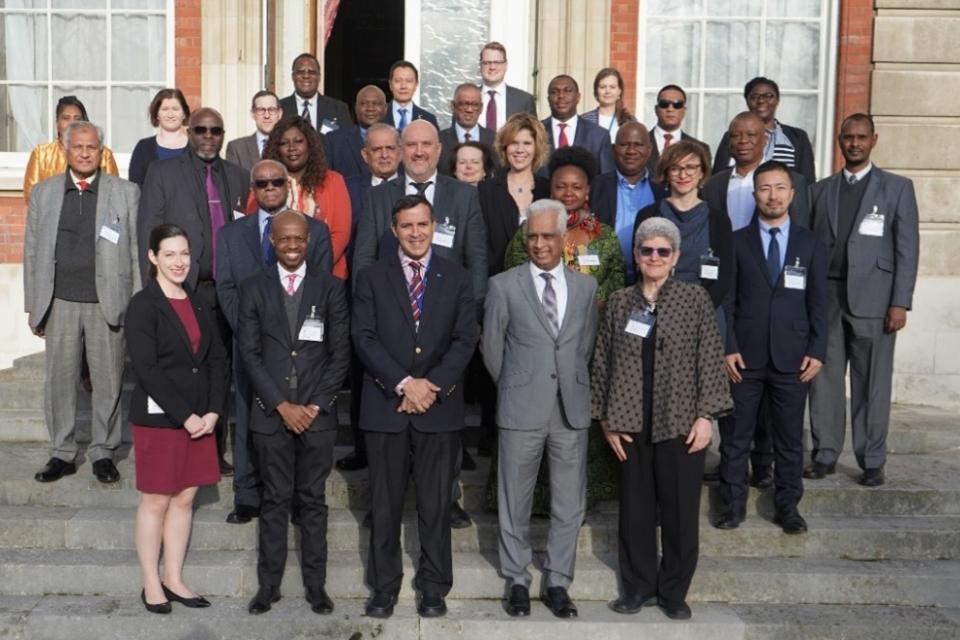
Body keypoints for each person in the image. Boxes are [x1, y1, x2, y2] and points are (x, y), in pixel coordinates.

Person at [592, 216, 732, 621]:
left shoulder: (694, 299)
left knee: (680, 513)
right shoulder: (620, 302)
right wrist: (606, 420)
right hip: (630, 421)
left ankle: (674, 592)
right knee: (635, 511)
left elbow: (710, 359)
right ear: (636, 255)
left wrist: (706, 417)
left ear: (675, 257)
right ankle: (637, 588)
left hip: (681, 421)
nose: (654, 257)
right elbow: (602, 362)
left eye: (662, 251)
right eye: (647, 250)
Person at [352, 195, 479, 619]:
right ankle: (383, 587)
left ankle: (434, 587)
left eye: (422, 224)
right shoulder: (371, 277)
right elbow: (364, 337)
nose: (416, 233)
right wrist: (405, 384)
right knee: (384, 506)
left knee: (436, 505)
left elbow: (465, 338)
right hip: (386, 406)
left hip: (438, 409)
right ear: (394, 230)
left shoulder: (457, 277)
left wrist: (431, 385)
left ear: (434, 225)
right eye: (406, 226)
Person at [482, 199, 599, 619]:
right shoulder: (503, 286)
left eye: (548, 235)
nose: (540, 243)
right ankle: (517, 578)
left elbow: (585, 346)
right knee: (515, 499)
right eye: (532, 236)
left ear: (564, 237)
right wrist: (518, 385)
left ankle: (557, 581)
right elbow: (492, 349)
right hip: (521, 407)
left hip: (570, 409)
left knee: (569, 503)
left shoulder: (585, 288)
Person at [239, 211, 350, 615]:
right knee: (274, 500)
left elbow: (340, 354)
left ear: (308, 241)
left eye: (298, 239)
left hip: (317, 416)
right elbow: (249, 354)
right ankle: (268, 586)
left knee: (313, 501)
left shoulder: (331, 288)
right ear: (272, 240)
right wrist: (282, 405)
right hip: (272, 415)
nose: (291, 246)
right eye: (284, 238)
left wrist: (315, 405)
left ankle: (316, 587)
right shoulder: (253, 288)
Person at [216, 159, 333, 525]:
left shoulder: (315, 231)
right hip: (250, 347)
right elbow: (226, 288)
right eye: (262, 183)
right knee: (249, 417)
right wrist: (251, 333)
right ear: (252, 190)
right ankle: (248, 494)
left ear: (288, 185)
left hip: (301, 349)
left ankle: (298, 496)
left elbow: (321, 288)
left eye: (276, 182)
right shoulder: (231, 234)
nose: (270, 188)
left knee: (299, 419)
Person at [806, 113, 920, 487]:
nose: (854, 143)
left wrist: (900, 301)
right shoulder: (820, 191)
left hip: (875, 300)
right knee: (823, 380)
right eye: (848, 137)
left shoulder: (897, 188)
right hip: (827, 298)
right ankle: (824, 453)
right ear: (839, 140)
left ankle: (872, 459)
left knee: (872, 382)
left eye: (861, 137)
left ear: (874, 140)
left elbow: (907, 249)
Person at [25, 120, 140, 484]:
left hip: (108, 301)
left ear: (101, 151)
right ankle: (62, 452)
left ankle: (103, 451)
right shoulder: (44, 193)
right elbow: (32, 252)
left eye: (92, 147)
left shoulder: (126, 192)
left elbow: (135, 251)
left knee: (109, 380)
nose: (85, 153)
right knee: (60, 381)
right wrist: (34, 304)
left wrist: (137, 303)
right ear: (66, 150)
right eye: (78, 147)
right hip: (59, 301)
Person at [716, 161, 828, 535]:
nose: (773, 196)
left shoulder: (810, 243)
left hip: (793, 358)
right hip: (743, 358)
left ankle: (787, 507)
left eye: (780, 188)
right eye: (765, 188)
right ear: (755, 195)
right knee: (735, 438)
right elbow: (727, 301)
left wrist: (818, 349)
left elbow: (819, 302)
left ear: (792, 194)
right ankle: (732, 506)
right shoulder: (736, 241)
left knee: (790, 439)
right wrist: (728, 346)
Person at [138, 107, 250, 474]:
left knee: (220, 369)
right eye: (201, 129)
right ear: (189, 131)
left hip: (226, 291)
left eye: (215, 131)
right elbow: (148, 233)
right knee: (187, 369)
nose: (208, 137)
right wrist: (154, 293)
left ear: (223, 135)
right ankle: (183, 440)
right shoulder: (163, 172)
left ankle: (214, 449)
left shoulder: (238, 176)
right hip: (183, 288)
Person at [125, 224, 226, 614]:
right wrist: (185, 416)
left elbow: (217, 359)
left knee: (185, 498)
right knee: (156, 500)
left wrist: (214, 409)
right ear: (153, 257)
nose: (179, 261)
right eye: (169, 254)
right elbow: (147, 369)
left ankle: (174, 577)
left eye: (184, 253)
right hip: (162, 420)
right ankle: (151, 582)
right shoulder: (143, 305)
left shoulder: (199, 301)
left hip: (202, 418)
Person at [353, 119, 487, 306]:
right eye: (411, 145)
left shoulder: (464, 196)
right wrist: (364, 308)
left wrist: (473, 311)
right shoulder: (377, 197)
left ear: (439, 149)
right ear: (401, 151)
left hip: (449, 308)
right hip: (390, 308)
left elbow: (477, 260)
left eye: (426, 144)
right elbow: (363, 260)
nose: (419, 152)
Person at [337, 123, 403, 474]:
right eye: (377, 149)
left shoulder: (413, 188)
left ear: (400, 152)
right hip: (362, 295)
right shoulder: (349, 190)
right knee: (363, 373)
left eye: (390, 148)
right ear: (365, 155)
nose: (384, 155)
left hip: (407, 301)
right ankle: (362, 448)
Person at [505, 146, 625, 308]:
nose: (568, 193)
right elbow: (515, 271)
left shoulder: (604, 234)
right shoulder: (531, 228)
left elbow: (616, 277)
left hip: (591, 317)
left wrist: (591, 302)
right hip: (540, 314)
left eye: (576, 187)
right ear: (551, 190)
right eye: (561, 187)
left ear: (587, 191)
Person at [634, 140, 732, 316]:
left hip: (705, 313)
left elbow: (725, 276)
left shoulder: (719, 220)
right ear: (666, 172)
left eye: (690, 167)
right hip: (657, 310)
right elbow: (640, 267)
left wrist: (699, 311)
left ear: (702, 172)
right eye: (675, 168)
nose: (683, 174)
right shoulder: (648, 215)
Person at [256, 115, 352, 280]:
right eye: (284, 143)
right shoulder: (264, 183)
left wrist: (311, 271)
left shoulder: (334, 181)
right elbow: (256, 229)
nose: (291, 148)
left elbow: (340, 233)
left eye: (298, 141)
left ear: (309, 145)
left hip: (325, 276)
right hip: (275, 278)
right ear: (276, 149)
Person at [703, 112, 811, 233]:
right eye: (735, 136)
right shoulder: (712, 184)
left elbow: (800, 233)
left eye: (751, 135)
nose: (743, 141)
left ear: (765, 140)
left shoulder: (793, 181)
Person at [479, 113, 551, 279]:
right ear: (504, 147)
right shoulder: (485, 191)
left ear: (537, 148)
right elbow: (480, 247)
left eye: (527, 143)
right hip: (497, 281)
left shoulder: (548, 190)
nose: (520, 150)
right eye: (514, 143)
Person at [590, 122, 662, 282]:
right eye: (624, 145)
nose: (631, 151)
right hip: (604, 281)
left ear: (649, 149)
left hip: (650, 281)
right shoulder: (596, 187)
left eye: (638, 145)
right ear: (614, 149)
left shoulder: (662, 190)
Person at [713, 77, 816, 184]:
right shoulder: (733, 136)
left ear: (777, 100)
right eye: (754, 97)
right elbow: (717, 178)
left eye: (768, 96)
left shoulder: (797, 137)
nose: (761, 101)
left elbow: (807, 181)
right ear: (747, 101)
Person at [23, 95, 119, 203]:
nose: (72, 123)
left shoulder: (104, 154)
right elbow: (32, 195)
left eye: (77, 119)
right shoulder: (41, 154)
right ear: (57, 123)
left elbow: (114, 193)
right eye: (66, 118)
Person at [541, 75, 614, 175]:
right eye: (554, 92)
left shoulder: (599, 136)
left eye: (568, 91)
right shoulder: (536, 132)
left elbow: (607, 178)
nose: (561, 96)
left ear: (578, 97)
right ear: (548, 99)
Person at [324, 85, 389, 179]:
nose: (370, 108)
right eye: (364, 103)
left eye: (376, 104)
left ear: (386, 108)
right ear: (355, 108)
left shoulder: (400, 139)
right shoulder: (334, 141)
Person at [128, 88, 191, 186]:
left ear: (184, 114)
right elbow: (134, 187)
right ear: (157, 114)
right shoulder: (143, 147)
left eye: (175, 109)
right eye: (165, 109)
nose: (170, 115)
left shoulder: (195, 147)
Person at [279, 52, 353, 133]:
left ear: (319, 77)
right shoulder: (280, 108)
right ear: (293, 76)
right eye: (300, 72)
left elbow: (347, 139)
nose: (306, 76)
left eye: (311, 72)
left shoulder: (339, 109)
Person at [646, 85, 710, 175]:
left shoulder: (701, 149)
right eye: (664, 104)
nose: (670, 109)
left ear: (684, 110)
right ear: (656, 109)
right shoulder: (638, 144)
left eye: (677, 105)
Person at [439, 83, 496, 175]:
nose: (469, 110)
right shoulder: (439, 140)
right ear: (453, 106)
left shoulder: (494, 140)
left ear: (481, 108)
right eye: (464, 104)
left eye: (475, 105)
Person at [479, 41, 537, 131]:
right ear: (480, 65)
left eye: (497, 62)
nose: (492, 67)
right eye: (487, 62)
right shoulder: (466, 99)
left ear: (506, 65)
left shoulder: (524, 101)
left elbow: (533, 135)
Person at [226, 90, 283, 173]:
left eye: (271, 109)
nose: (267, 115)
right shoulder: (237, 148)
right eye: (261, 110)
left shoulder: (289, 146)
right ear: (253, 114)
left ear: (280, 114)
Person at [581, 67, 636, 143]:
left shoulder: (630, 121)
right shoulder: (584, 120)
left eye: (612, 87)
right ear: (596, 91)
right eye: (602, 87)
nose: (607, 91)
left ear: (619, 91)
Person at [381, 60, 438, 130]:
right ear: (390, 85)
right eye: (398, 80)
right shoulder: (378, 116)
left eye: (409, 81)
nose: (403, 86)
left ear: (416, 84)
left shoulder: (428, 119)